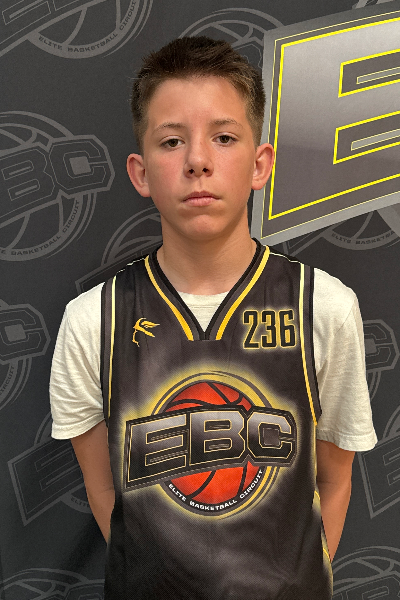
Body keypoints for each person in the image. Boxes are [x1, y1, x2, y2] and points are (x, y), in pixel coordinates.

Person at [50, 36, 377, 600]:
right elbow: (105, 493)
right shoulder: (92, 321)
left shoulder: (323, 306)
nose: (198, 161)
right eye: (172, 141)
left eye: (224, 138)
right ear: (141, 173)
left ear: (260, 164)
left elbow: (336, 477)